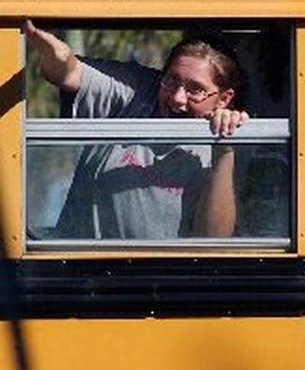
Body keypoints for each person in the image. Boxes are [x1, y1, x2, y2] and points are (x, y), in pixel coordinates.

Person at [25, 20, 248, 239]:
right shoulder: (138, 92)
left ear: (224, 98)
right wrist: (58, 56)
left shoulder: (231, 135)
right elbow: (68, 74)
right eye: (172, 80)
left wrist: (223, 149)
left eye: (195, 89)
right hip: (75, 268)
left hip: (155, 273)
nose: (178, 98)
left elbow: (213, 238)